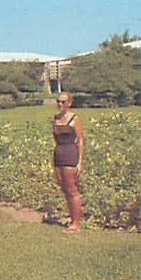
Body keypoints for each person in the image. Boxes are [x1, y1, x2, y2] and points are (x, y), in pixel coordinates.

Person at [52, 92, 84, 233]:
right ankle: (72, 217)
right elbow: (55, 138)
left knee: (71, 189)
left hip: (70, 154)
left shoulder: (74, 118)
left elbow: (81, 140)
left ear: (69, 103)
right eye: (58, 101)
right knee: (64, 188)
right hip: (58, 154)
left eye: (63, 102)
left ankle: (76, 223)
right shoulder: (55, 118)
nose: (60, 104)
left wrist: (80, 161)